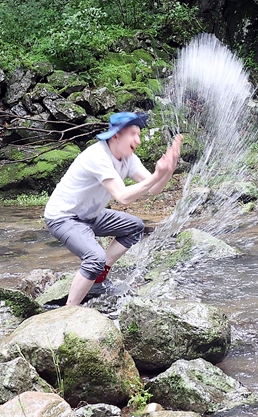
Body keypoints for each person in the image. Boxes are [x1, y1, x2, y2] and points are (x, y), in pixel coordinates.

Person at [44, 111, 183, 306]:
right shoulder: (97, 156)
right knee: (95, 257)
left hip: (91, 215)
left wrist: (168, 170)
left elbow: (154, 189)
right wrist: (157, 174)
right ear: (116, 135)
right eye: (133, 134)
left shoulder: (128, 158)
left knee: (135, 227)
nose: (138, 140)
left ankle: (98, 278)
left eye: (139, 135)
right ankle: (69, 311)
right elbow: (123, 197)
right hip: (63, 218)